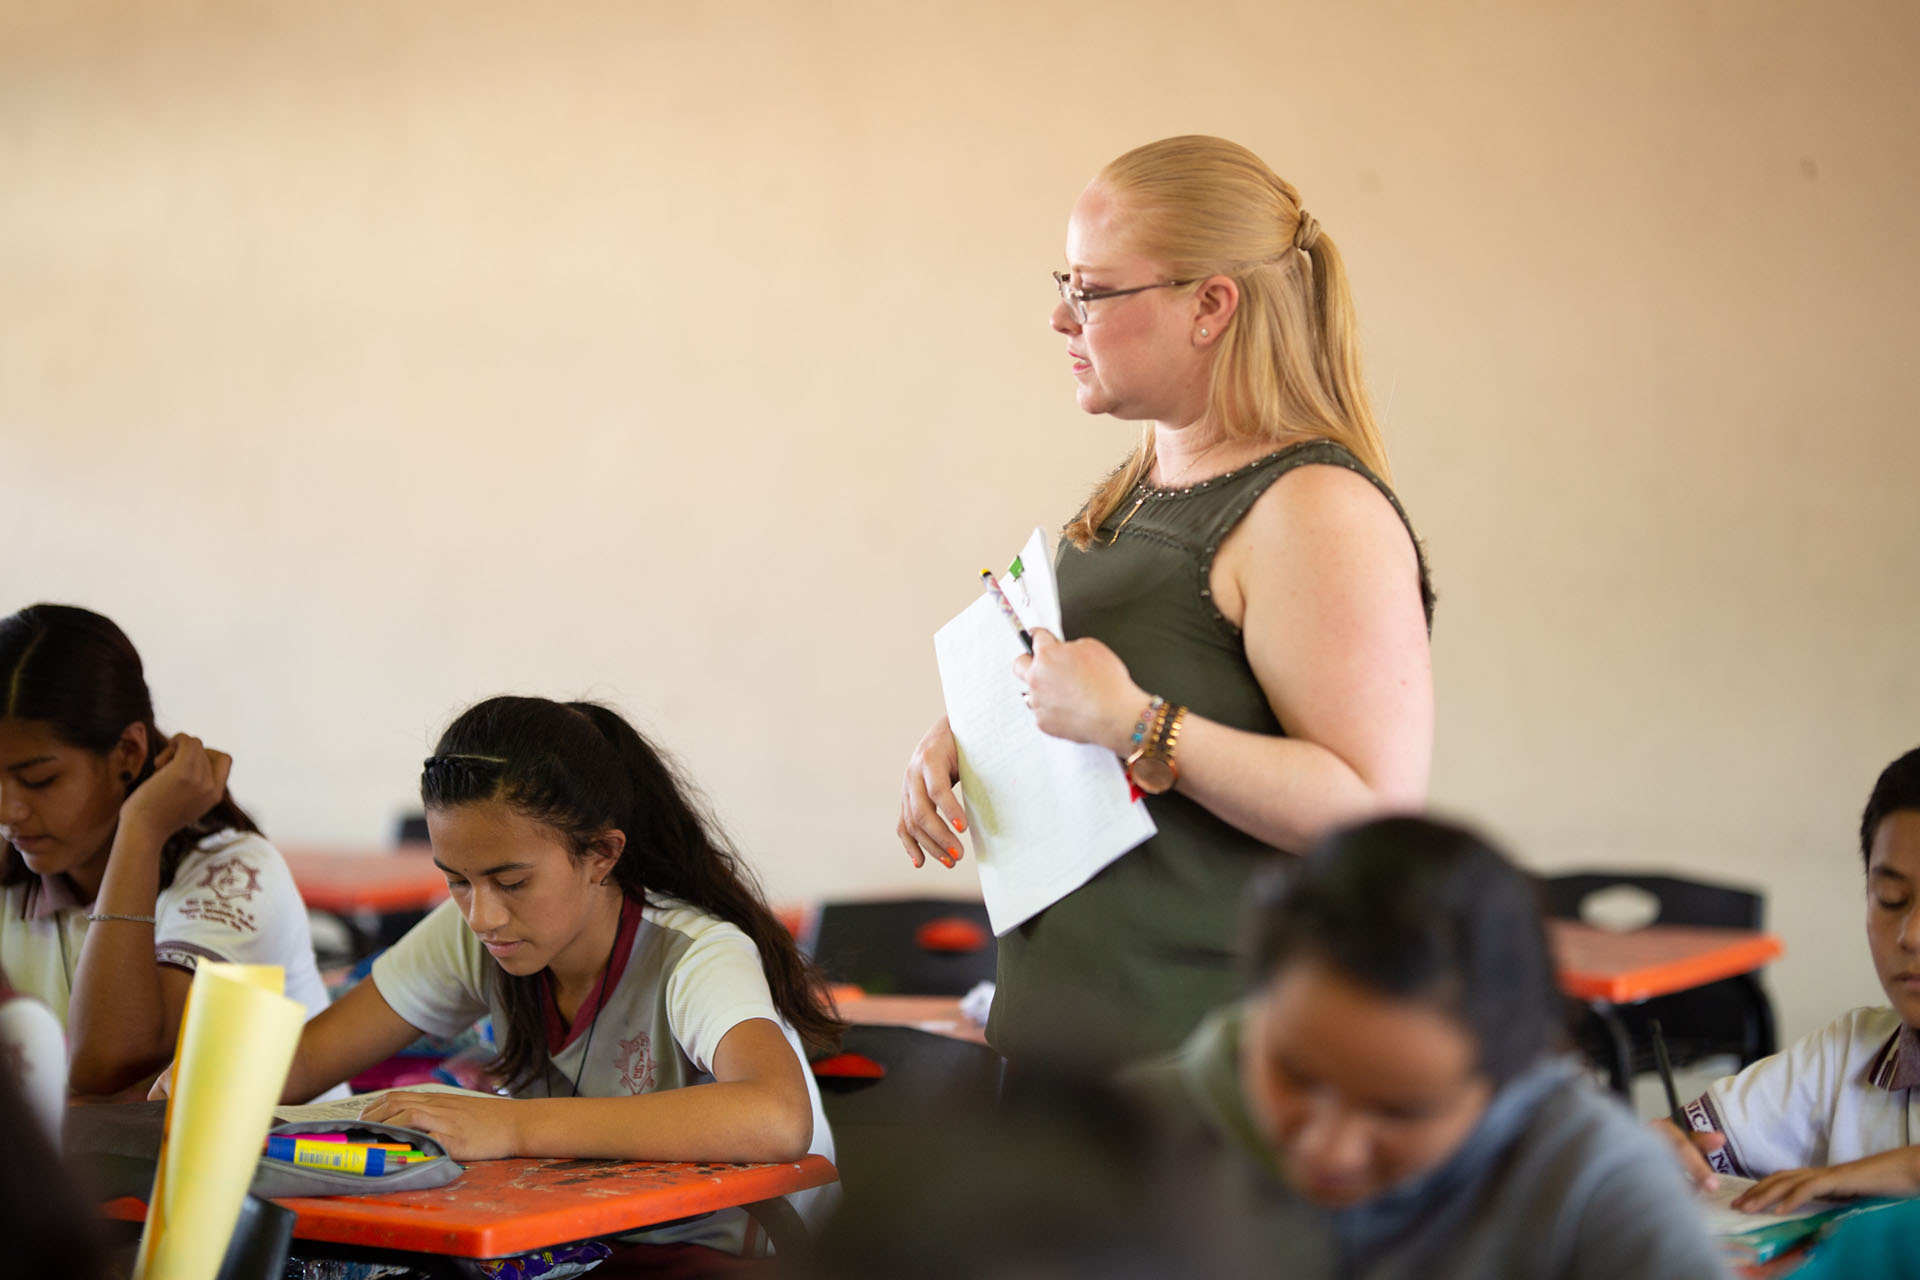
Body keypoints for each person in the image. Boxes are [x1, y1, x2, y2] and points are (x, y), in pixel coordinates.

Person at [897, 135, 1434, 1070]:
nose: (1061, 319)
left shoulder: (1314, 509)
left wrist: (1138, 724)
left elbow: (1373, 814)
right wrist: (971, 736)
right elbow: (1101, 696)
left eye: (1091, 291)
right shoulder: (1139, 487)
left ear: (1210, 307)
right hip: (1069, 1063)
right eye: (1064, 285)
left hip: (1210, 1081)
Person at [265, 695, 843, 1262]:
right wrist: (217, 1094)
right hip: (581, 1245)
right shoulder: (473, 931)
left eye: (512, 883)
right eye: (457, 881)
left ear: (602, 855)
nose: (481, 916)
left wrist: (513, 1127)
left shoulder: (695, 954)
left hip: (736, 1259)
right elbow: (309, 1060)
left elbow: (776, 1116)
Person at [1131, 815, 1731, 1279]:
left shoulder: (1594, 1188)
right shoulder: (1127, 1138)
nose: (1329, 1149)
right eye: (1295, 1075)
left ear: (1505, 1076)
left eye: (1401, 1110)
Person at [0, 603, 332, 1097]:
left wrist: (141, 830)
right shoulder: (15, 870)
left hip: (292, 1146)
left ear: (128, 753)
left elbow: (111, 1067)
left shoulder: (233, 873)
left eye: (39, 780)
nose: (8, 810)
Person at [1657, 746, 1920, 1212]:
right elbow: (1689, 1144)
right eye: (1891, 898)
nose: (1911, 935)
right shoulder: (1848, 1056)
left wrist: (1897, 1171)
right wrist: (1654, 1147)